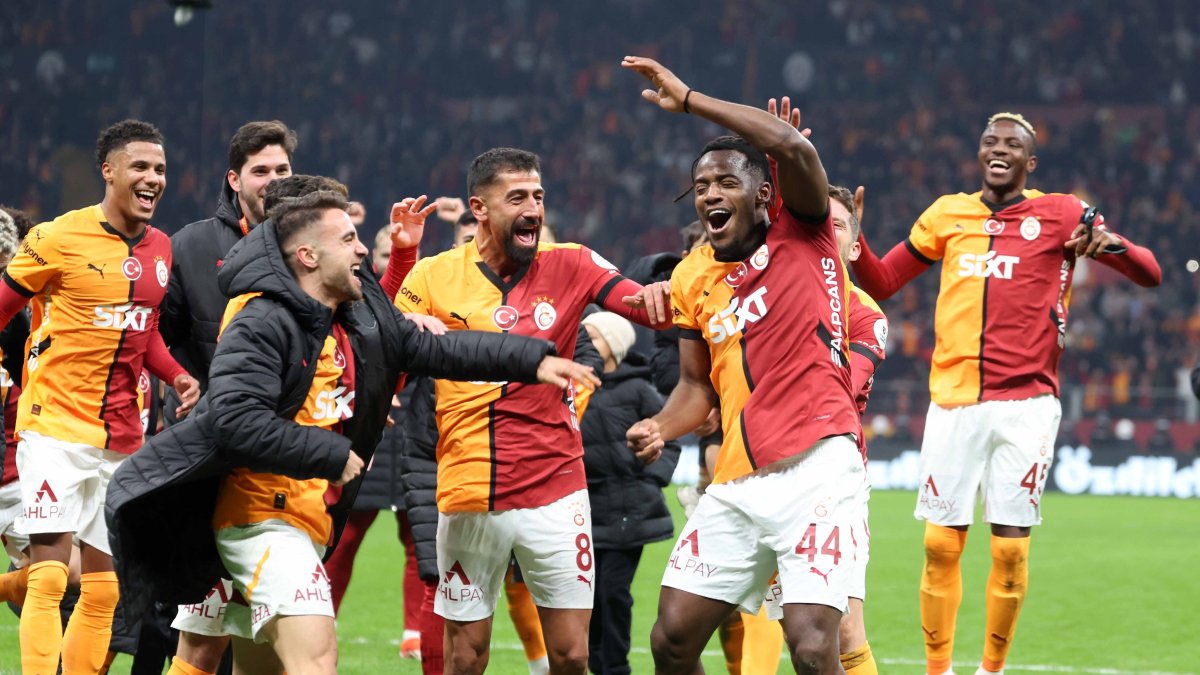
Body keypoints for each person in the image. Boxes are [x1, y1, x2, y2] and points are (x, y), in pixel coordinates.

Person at [106, 188, 597, 675]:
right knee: (315, 659)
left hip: (304, 519)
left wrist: (535, 360)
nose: (363, 249)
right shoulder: (262, 318)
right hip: (260, 520)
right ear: (307, 256)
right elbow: (235, 418)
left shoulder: (356, 316)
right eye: (349, 240)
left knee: (252, 666)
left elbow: (446, 350)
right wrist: (329, 452)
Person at [849, 112, 1162, 675]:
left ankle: (990, 671)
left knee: (1010, 551)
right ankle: (938, 670)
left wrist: (1109, 245)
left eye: (1012, 144)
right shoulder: (948, 213)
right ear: (978, 154)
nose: (999, 148)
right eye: (990, 141)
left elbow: (1152, 272)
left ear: (1029, 162)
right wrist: (854, 242)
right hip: (952, 402)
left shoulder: (1063, 212)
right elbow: (881, 281)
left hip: (1028, 408)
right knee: (940, 548)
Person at [621, 56, 866, 674]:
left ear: (763, 195)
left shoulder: (802, 230)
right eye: (700, 186)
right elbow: (697, 385)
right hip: (737, 479)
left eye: (725, 182)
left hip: (818, 463)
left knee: (812, 645)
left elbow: (790, 147)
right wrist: (663, 426)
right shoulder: (692, 275)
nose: (709, 194)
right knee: (671, 640)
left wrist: (690, 99)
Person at [394, 147, 670, 675]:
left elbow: (636, 302)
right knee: (466, 655)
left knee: (571, 655)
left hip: (555, 488)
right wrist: (404, 265)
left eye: (538, 196)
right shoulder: (433, 276)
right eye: (516, 197)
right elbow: (387, 345)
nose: (533, 209)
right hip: (469, 488)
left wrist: (660, 295)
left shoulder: (573, 262)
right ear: (479, 208)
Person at [0, 119, 200, 675]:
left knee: (105, 589)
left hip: (123, 438)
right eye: (140, 167)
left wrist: (178, 376)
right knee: (48, 573)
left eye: (159, 169)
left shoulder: (162, 249)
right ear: (108, 171)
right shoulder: (56, 237)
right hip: (54, 429)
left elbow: (146, 330)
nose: (153, 178)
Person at [159, 118, 297, 675]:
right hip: (207, 465)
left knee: (265, 639)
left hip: (283, 471)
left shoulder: (310, 246)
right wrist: (177, 386)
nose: (272, 180)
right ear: (234, 180)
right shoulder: (191, 246)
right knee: (201, 631)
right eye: (260, 171)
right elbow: (156, 339)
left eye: (282, 169)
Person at [745, 177, 889, 675]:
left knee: (844, 628)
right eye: (821, 222)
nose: (827, 232)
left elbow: (839, 387)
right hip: (761, 470)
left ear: (852, 245)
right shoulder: (772, 293)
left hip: (830, 478)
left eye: (840, 225)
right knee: (796, 631)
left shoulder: (864, 314)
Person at [578, 311, 681, 675]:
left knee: (612, 592)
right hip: (583, 511)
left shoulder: (637, 388)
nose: (584, 342)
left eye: (593, 336)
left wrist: (651, 479)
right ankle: (594, 663)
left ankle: (616, 667)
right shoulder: (571, 387)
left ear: (615, 345)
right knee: (585, 598)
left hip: (628, 512)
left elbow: (668, 438)